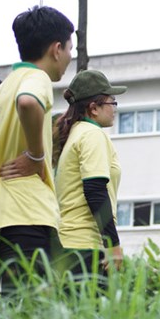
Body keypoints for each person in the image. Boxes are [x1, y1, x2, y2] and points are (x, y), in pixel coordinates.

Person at [0, 6, 75, 293]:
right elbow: (28, 102)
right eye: (69, 49)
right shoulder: (35, 79)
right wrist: (36, 156)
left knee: (7, 314)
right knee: (35, 311)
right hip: (28, 216)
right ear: (56, 49)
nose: (69, 57)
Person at [54, 70, 126, 281]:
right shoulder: (92, 135)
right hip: (86, 247)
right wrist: (112, 244)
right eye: (112, 102)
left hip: (69, 245)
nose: (114, 108)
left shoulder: (74, 133)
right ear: (94, 108)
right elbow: (95, 190)